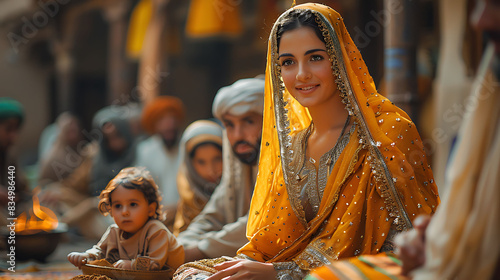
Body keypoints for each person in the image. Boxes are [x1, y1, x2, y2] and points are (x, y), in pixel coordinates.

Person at [174, 3, 439, 280]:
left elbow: (406, 239)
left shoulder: (388, 131)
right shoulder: (294, 148)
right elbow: (273, 239)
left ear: (339, 58)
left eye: (315, 58)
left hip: (365, 272)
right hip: (295, 270)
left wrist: (283, 273)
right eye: (288, 62)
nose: (301, 74)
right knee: (191, 275)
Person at [177, 78, 265, 262]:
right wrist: (179, 246)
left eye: (248, 121)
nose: (237, 135)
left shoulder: (288, 166)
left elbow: (259, 222)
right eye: (229, 125)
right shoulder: (239, 167)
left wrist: (199, 250)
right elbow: (212, 217)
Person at [67, 167, 184, 272]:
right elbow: (100, 251)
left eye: (133, 204)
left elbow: (155, 264)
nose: (124, 212)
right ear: (111, 210)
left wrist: (131, 265)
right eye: (118, 206)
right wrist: (86, 256)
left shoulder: (156, 231)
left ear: (150, 209)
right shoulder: (114, 231)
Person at [40, 114, 137, 239]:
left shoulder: (138, 156)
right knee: (51, 196)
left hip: (122, 211)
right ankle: (56, 229)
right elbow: (74, 184)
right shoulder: (96, 157)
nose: (114, 143)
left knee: (96, 212)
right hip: (97, 207)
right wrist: (56, 190)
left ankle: (57, 229)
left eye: (117, 136)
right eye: (108, 139)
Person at [135, 96, 185, 228]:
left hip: (186, 211)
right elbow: (143, 187)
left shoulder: (188, 147)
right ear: (155, 125)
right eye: (163, 120)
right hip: (157, 214)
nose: (169, 124)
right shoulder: (145, 150)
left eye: (172, 119)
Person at [173, 120, 223, 236]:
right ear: (189, 164)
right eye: (201, 162)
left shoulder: (239, 192)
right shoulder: (188, 198)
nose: (211, 169)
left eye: (217, 159)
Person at [0, 98, 29, 224]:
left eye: (16, 130)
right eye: (8, 129)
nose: (13, 136)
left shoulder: (8, 155)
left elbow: (22, 189)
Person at [38, 112, 86, 186]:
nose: (73, 135)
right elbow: (43, 180)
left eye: (75, 130)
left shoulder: (83, 151)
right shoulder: (54, 156)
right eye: (69, 130)